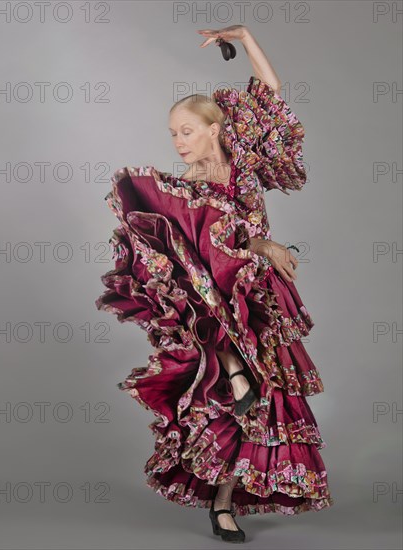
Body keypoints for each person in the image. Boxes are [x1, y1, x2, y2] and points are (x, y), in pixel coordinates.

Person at [96, 25, 334, 544]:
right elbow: (205, 242)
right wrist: (261, 245)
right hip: (213, 303)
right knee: (221, 395)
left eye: (186, 130)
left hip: (255, 296)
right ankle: (229, 366)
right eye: (172, 134)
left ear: (215, 128)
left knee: (262, 402)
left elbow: (272, 102)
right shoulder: (186, 189)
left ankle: (225, 504)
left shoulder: (243, 164)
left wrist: (247, 40)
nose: (178, 141)